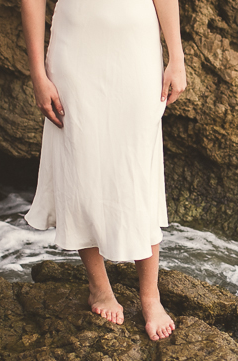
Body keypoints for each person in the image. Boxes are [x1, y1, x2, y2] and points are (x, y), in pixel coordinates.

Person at [20, 0, 186, 341]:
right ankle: (99, 287)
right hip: (75, 51)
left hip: (137, 50)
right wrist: (38, 73)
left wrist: (177, 58)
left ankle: (150, 296)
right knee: (81, 162)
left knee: (138, 165)